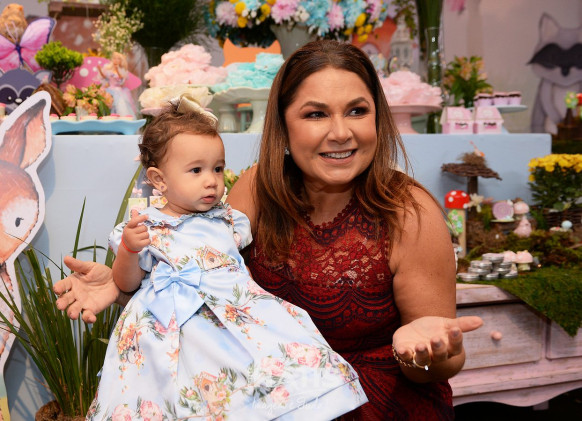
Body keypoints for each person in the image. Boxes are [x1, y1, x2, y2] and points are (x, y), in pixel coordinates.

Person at [55, 40, 483, 420]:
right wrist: (123, 284)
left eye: (357, 110)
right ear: (284, 123)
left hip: (380, 404)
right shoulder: (259, 188)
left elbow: (440, 365)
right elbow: (207, 282)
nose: (341, 132)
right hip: (272, 400)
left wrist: (424, 351)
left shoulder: (409, 211)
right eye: (316, 114)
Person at [83, 94, 367, 420]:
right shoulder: (147, 226)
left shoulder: (228, 220)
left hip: (230, 319)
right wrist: (130, 250)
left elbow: (245, 264)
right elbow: (126, 283)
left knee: (258, 373)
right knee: (172, 394)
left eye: (218, 168)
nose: (212, 181)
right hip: (169, 330)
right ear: (159, 180)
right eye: (196, 170)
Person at [97, 52, 137, 118]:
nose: (116, 60)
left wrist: (117, 70)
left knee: (121, 105)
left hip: (118, 91)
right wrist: (100, 70)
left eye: (118, 59)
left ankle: (121, 119)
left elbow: (121, 80)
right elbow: (105, 77)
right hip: (109, 90)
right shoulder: (109, 69)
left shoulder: (123, 70)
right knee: (108, 104)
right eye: (114, 58)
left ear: (121, 61)